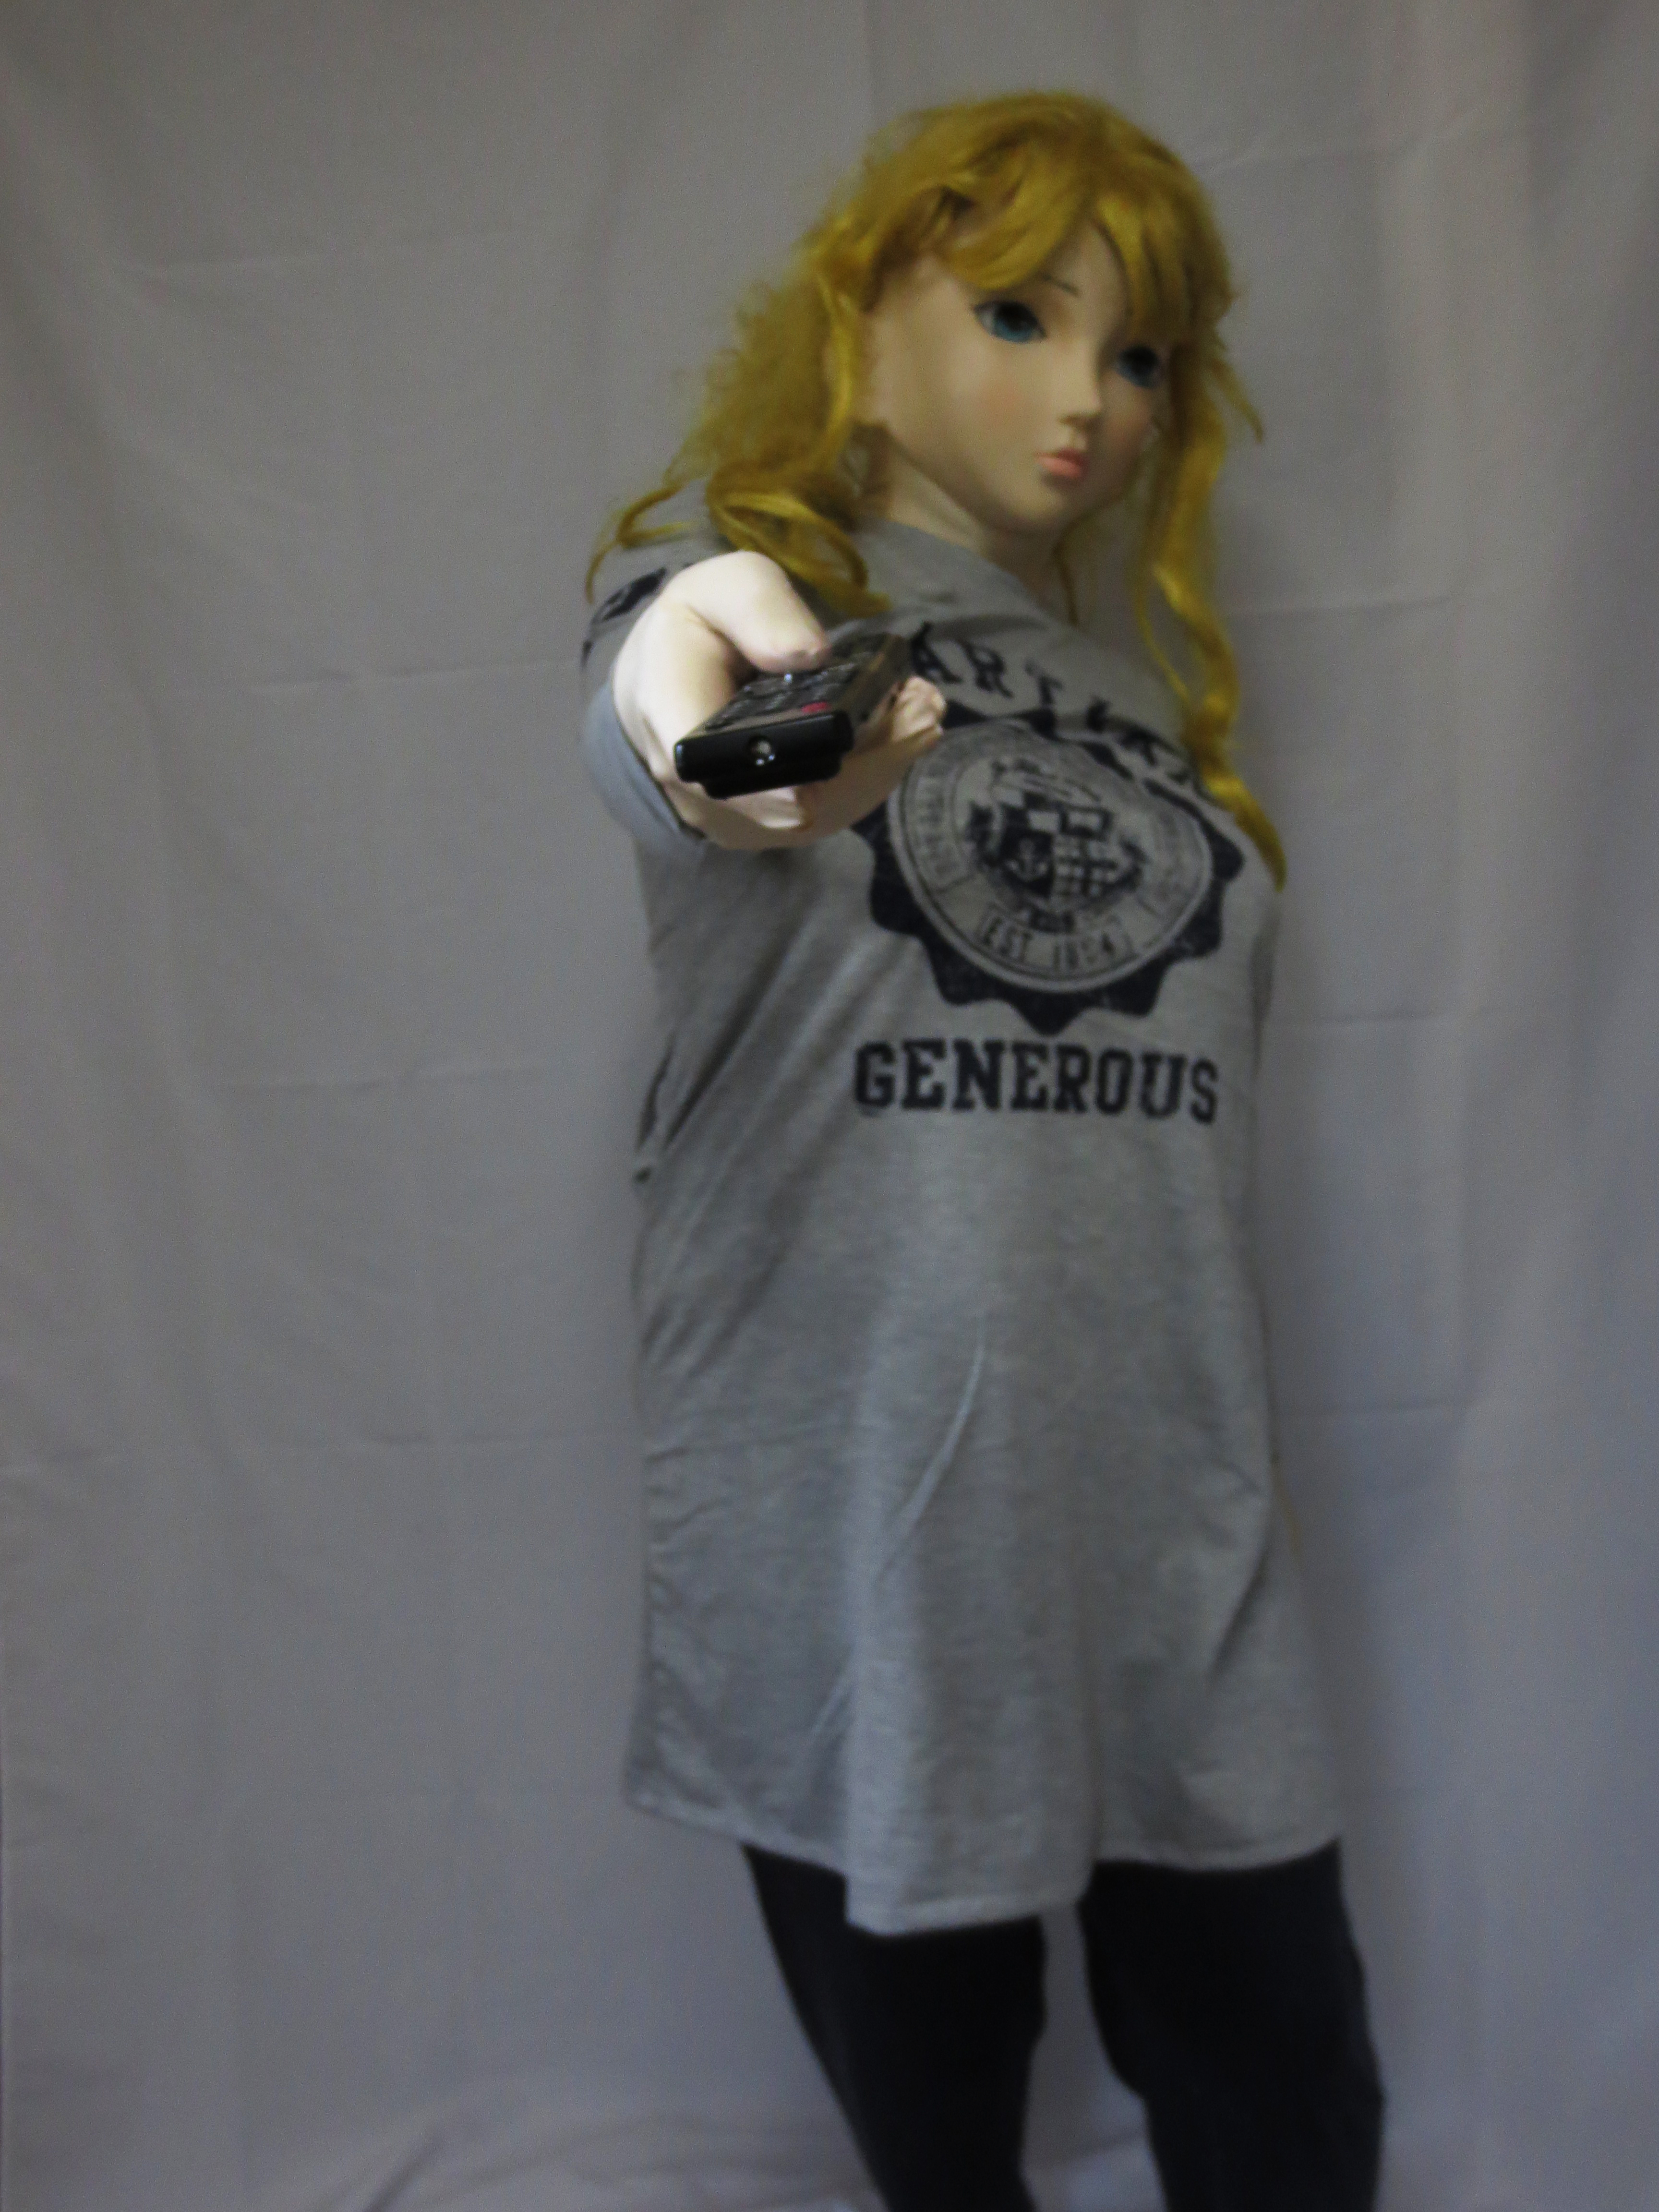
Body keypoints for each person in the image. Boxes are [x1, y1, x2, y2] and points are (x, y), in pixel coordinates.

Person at [579, 90, 1384, 2212]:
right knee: (942, 2140)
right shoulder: (754, 615)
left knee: (1293, 2105)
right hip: (871, 1550)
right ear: (863, 332)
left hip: (1174, 1537)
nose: (1090, 400)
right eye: (1022, 314)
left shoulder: (1146, 715)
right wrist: (761, 716)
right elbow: (700, 744)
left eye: (1142, 354)